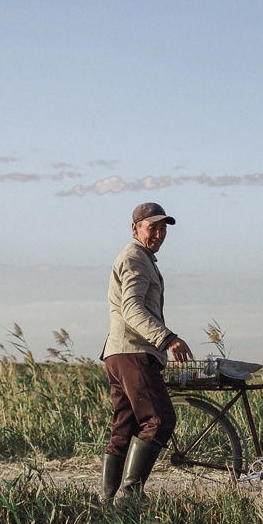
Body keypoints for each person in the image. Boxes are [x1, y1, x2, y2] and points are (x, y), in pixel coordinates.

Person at [100, 202, 193, 501]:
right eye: (152, 227)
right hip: (134, 352)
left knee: (124, 429)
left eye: (163, 228)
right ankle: (129, 495)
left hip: (118, 353)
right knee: (160, 420)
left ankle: (107, 501)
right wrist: (167, 339)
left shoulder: (144, 259)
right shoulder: (135, 258)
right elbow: (132, 309)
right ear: (135, 228)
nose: (159, 233)